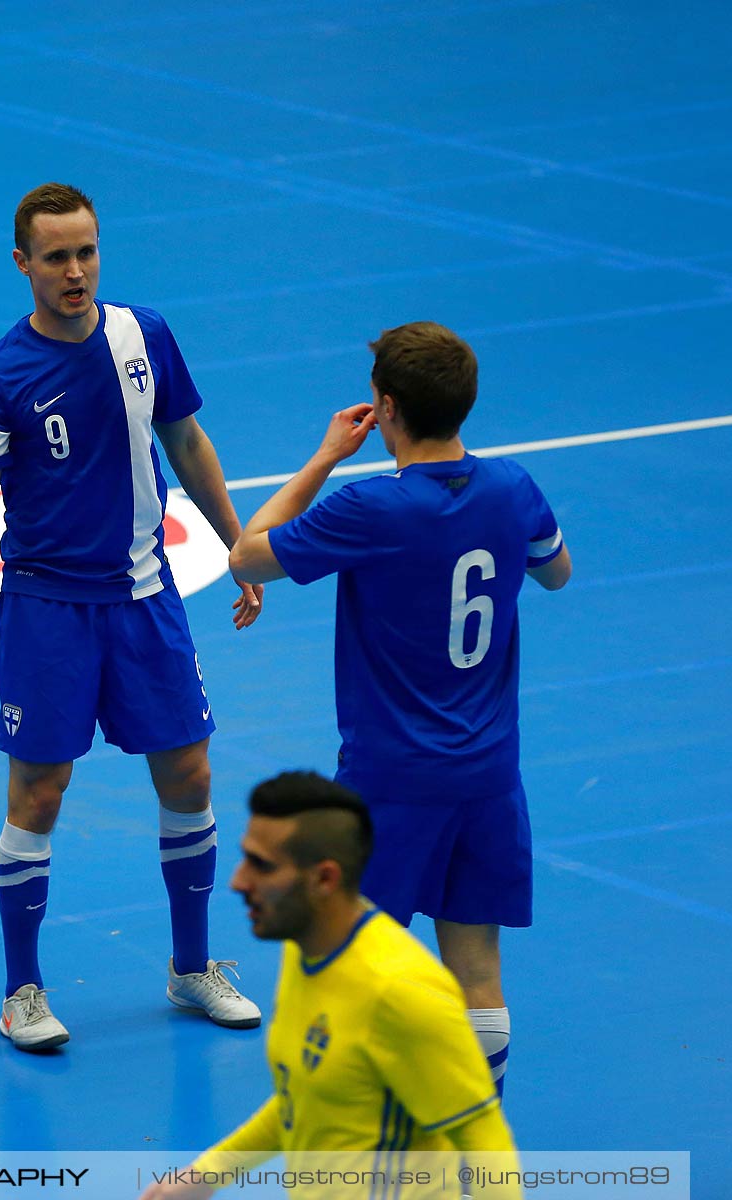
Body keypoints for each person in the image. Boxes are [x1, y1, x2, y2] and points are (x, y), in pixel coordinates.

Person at [0, 182, 264, 1051]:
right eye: (56, 256)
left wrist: (239, 545)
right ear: (23, 263)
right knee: (40, 793)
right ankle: (22, 991)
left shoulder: (144, 335)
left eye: (87, 251)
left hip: (144, 598)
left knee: (192, 777)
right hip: (47, 608)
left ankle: (191, 967)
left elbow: (189, 443)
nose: (76, 271)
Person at [228, 322, 570, 1094]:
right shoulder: (514, 489)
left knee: (349, 965)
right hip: (488, 775)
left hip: (392, 780)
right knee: (477, 966)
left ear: (384, 408)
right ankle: (478, 1151)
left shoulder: (372, 510)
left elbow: (248, 552)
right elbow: (558, 574)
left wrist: (323, 458)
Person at [140, 772, 517, 1200]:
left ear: (324, 879)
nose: (239, 882)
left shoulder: (399, 992)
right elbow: (306, 1099)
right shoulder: (306, 950)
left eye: (261, 865)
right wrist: (205, 1176)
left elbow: (484, 1141)